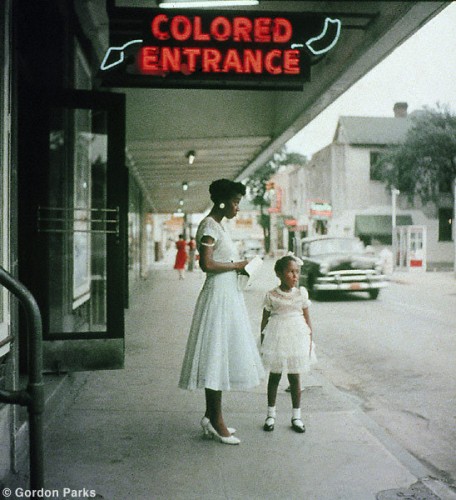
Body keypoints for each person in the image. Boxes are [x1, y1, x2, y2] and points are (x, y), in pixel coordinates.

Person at [179, 179, 264, 445]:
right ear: (223, 202)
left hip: (228, 294)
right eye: (236, 202)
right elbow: (206, 264)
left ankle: (210, 416)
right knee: (216, 355)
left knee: (221, 354)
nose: (238, 207)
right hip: (218, 295)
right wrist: (238, 264)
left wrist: (240, 267)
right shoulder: (209, 226)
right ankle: (217, 420)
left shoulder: (219, 227)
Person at [260, 255, 316, 433]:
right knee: (274, 376)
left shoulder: (301, 294)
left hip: (296, 337)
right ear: (279, 273)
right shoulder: (271, 295)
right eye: (290, 272)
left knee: (294, 376)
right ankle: (270, 414)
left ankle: (296, 416)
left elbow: (307, 320)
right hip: (276, 337)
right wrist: (263, 343)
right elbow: (264, 321)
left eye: (297, 272)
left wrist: (309, 340)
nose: (295, 276)